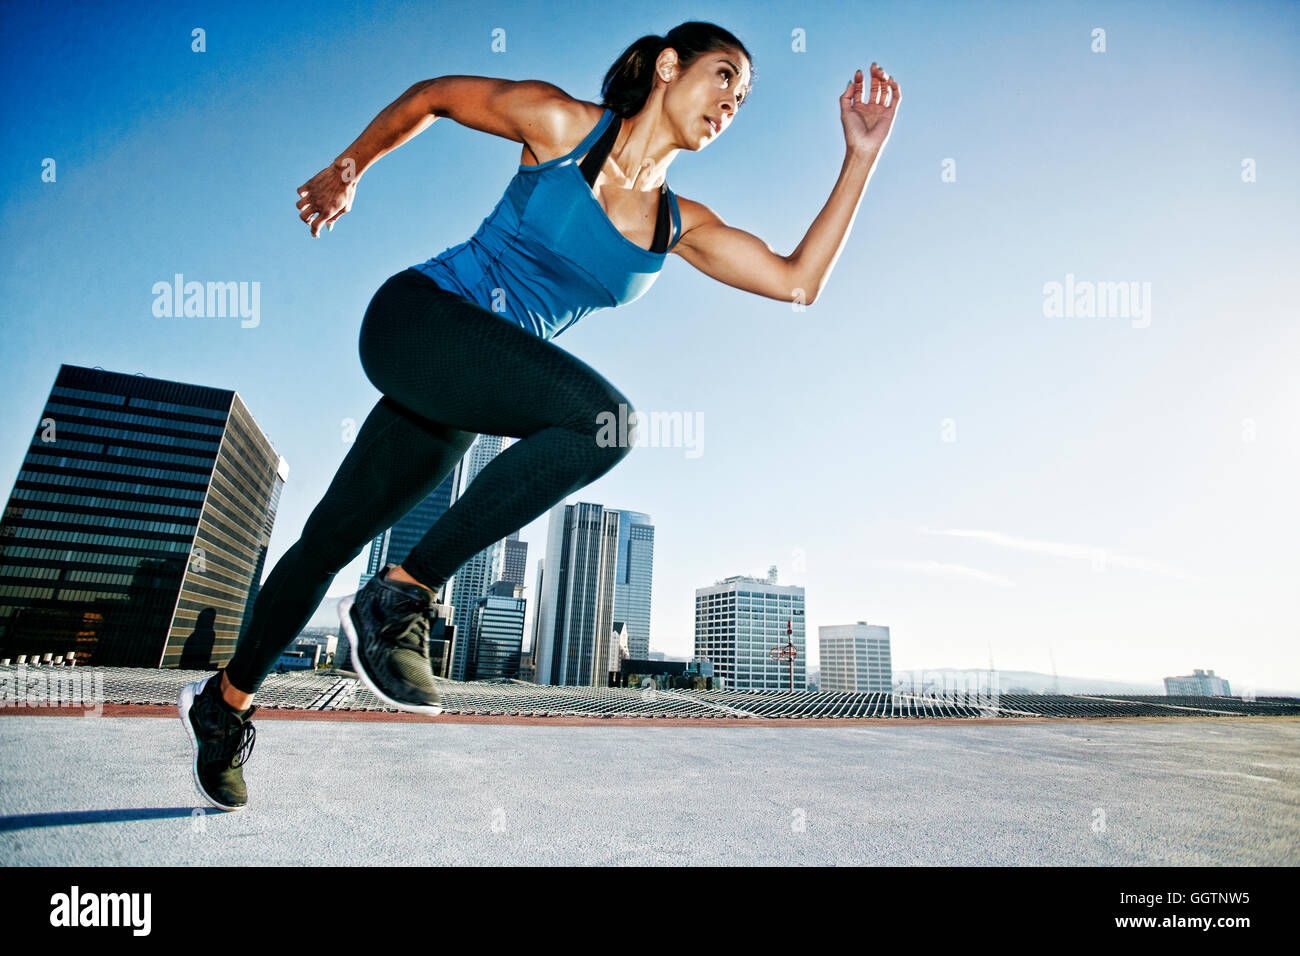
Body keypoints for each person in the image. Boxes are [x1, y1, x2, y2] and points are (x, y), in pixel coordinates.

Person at [178, 20, 901, 811]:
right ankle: (401, 594)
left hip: (464, 387)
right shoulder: (562, 126)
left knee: (329, 539)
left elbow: (798, 281)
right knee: (605, 421)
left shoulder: (677, 225)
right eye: (724, 75)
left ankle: (225, 704)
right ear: (668, 67)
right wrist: (347, 169)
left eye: (745, 97)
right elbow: (434, 98)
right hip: (419, 320)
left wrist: (860, 158)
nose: (732, 102)